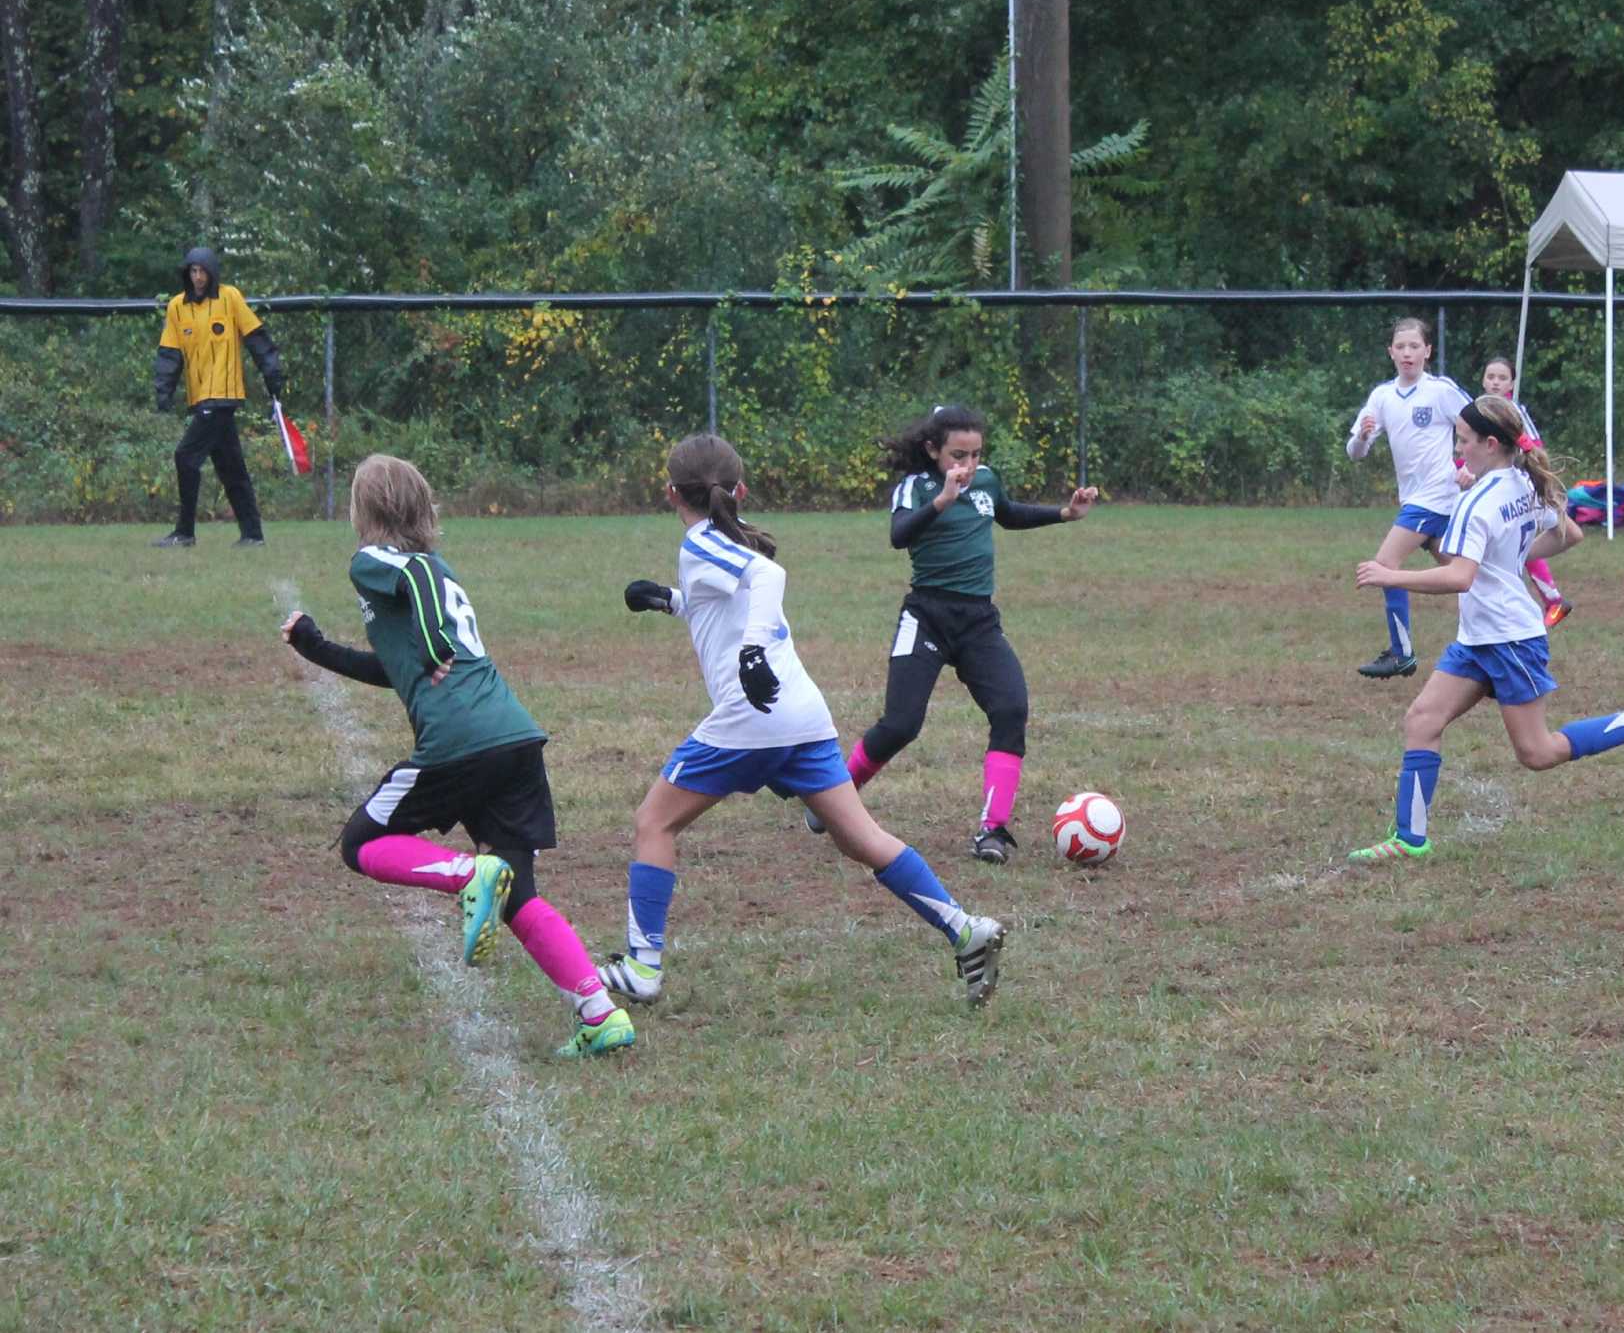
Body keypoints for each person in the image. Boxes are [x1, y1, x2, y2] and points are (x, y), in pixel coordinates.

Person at [600, 434, 1007, 1008]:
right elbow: (726, 595)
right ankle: (966, 929)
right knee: (859, 837)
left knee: (653, 824)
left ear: (671, 494)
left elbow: (766, 580)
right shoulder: (718, 541)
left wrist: (750, 654)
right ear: (738, 491)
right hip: (801, 714)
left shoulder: (700, 540)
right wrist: (669, 600)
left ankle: (643, 967)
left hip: (751, 717)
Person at [279, 454, 635, 1057]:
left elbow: (416, 596)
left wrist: (437, 642)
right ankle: (600, 1014)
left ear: (365, 510)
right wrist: (317, 648)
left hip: (460, 742)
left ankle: (470, 875)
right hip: (514, 737)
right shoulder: (437, 571)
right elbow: (403, 669)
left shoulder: (381, 562)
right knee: (519, 894)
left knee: (361, 844)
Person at [1349, 395, 1624, 862]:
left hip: (1511, 639)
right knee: (1422, 720)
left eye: (1463, 442)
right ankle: (1410, 838)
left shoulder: (1479, 502)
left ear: (1490, 444)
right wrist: (1509, 557)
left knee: (1538, 753)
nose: (1458, 452)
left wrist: (1392, 576)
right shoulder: (1525, 482)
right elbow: (1569, 534)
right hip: (1478, 638)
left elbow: (1458, 576)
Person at [817, 404, 1098, 864]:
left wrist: (1064, 513)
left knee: (1010, 709)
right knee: (902, 724)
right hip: (927, 616)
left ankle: (993, 831)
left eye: (975, 454)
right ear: (932, 450)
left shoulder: (984, 480)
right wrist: (942, 500)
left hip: (977, 622)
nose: (967, 465)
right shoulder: (918, 487)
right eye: (957, 455)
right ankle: (836, 801)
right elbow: (899, 534)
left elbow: (1006, 514)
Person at [1347, 317, 1472, 678]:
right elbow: (1355, 452)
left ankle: (1401, 653)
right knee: (1465, 576)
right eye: (1400, 347)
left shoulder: (1441, 390)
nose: (1407, 353)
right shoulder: (1382, 396)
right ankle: (1505, 636)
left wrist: (1470, 468)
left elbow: (1479, 424)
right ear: (1390, 352)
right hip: (1418, 501)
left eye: (1414, 346)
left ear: (1427, 351)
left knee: (1385, 566)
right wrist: (1362, 437)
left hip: (1436, 497)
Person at [150, 246, 283, 548]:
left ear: (211, 272)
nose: (197, 277)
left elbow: (256, 338)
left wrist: (272, 373)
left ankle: (184, 532)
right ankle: (252, 534)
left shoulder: (230, 297)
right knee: (231, 467)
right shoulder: (176, 307)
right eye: (192, 271)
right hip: (200, 398)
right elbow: (169, 354)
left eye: (202, 271)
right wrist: (164, 392)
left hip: (222, 396)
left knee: (185, 456)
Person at [1479, 354, 1572, 628]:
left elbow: (1534, 446)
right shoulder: (1478, 409)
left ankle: (1553, 599)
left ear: (1512, 383)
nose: (1495, 382)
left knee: (1517, 545)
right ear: (1483, 380)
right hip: (1489, 488)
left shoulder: (1513, 412)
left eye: (1502, 378)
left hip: (1517, 487)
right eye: (1491, 377)